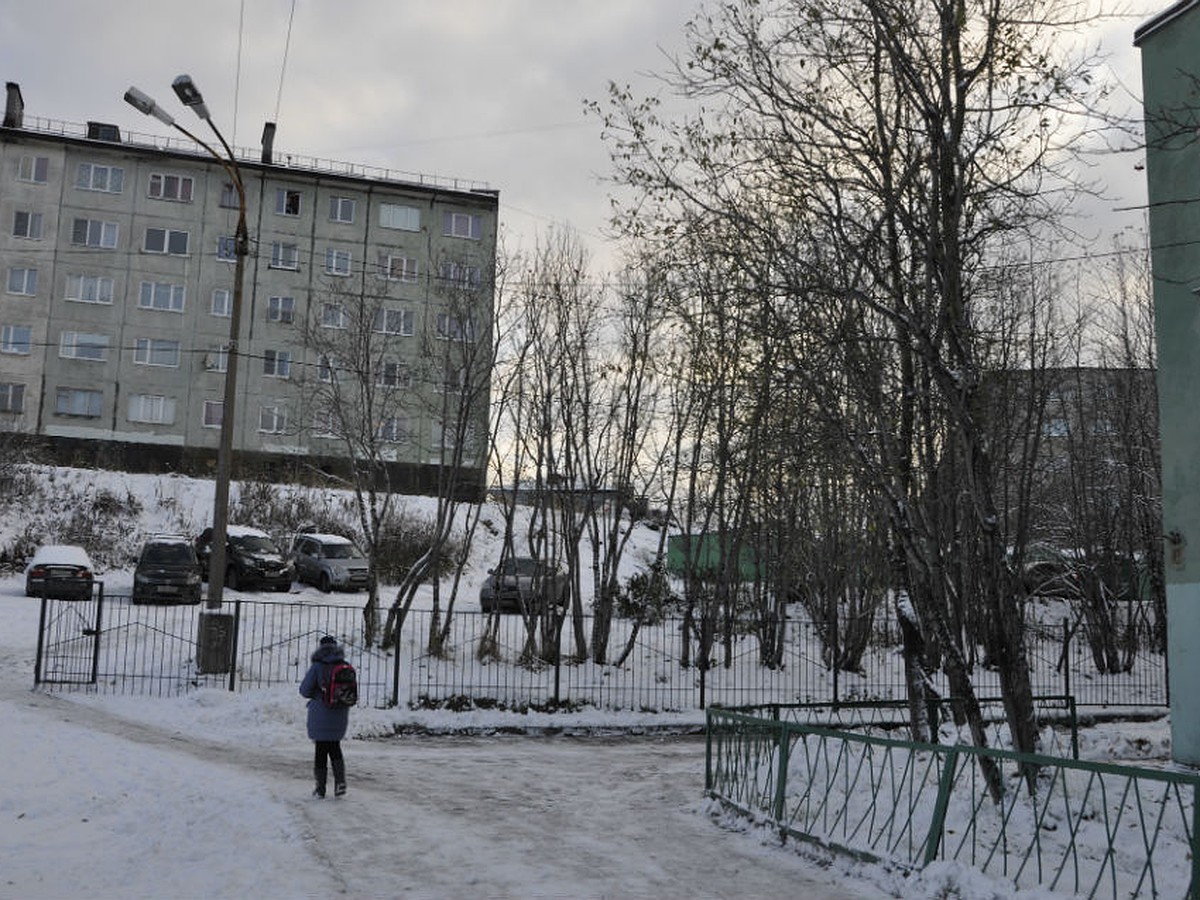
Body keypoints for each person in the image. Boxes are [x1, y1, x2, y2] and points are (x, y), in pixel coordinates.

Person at [299, 634, 349, 798]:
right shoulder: (344, 666)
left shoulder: (317, 667)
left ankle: (320, 788)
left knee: (321, 750)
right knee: (335, 747)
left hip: (320, 714)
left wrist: (317, 692)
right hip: (340, 714)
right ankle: (340, 782)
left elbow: (304, 690)